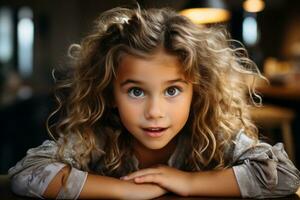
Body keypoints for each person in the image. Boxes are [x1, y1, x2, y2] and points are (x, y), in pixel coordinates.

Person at [8, 6, 300, 199]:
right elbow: (26, 175)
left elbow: (285, 176)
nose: (155, 113)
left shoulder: (212, 135)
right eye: (136, 92)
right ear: (110, 94)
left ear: (196, 92)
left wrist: (188, 183)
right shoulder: (96, 138)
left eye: (172, 91)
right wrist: (126, 192)